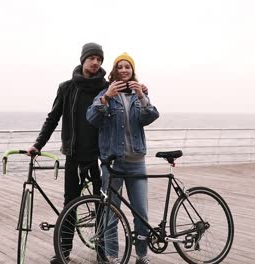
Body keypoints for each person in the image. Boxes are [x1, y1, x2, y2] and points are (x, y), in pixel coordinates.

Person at [27, 42, 107, 264]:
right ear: (83, 59)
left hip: (98, 156)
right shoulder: (67, 87)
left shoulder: (106, 87)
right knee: (70, 203)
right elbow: (53, 118)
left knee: (101, 204)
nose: (96, 62)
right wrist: (38, 145)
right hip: (73, 154)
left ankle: (102, 252)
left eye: (99, 59)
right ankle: (63, 252)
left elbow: (126, 90)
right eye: (92, 58)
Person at [87, 52, 159, 264]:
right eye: (120, 66)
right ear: (115, 71)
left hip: (137, 162)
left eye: (128, 67)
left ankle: (142, 255)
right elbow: (92, 117)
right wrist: (106, 97)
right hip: (113, 163)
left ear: (132, 70)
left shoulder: (139, 94)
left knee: (141, 213)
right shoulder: (105, 93)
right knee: (111, 214)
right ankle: (112, 256)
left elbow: (151, 116)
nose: (124, 70)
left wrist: (143, 97)